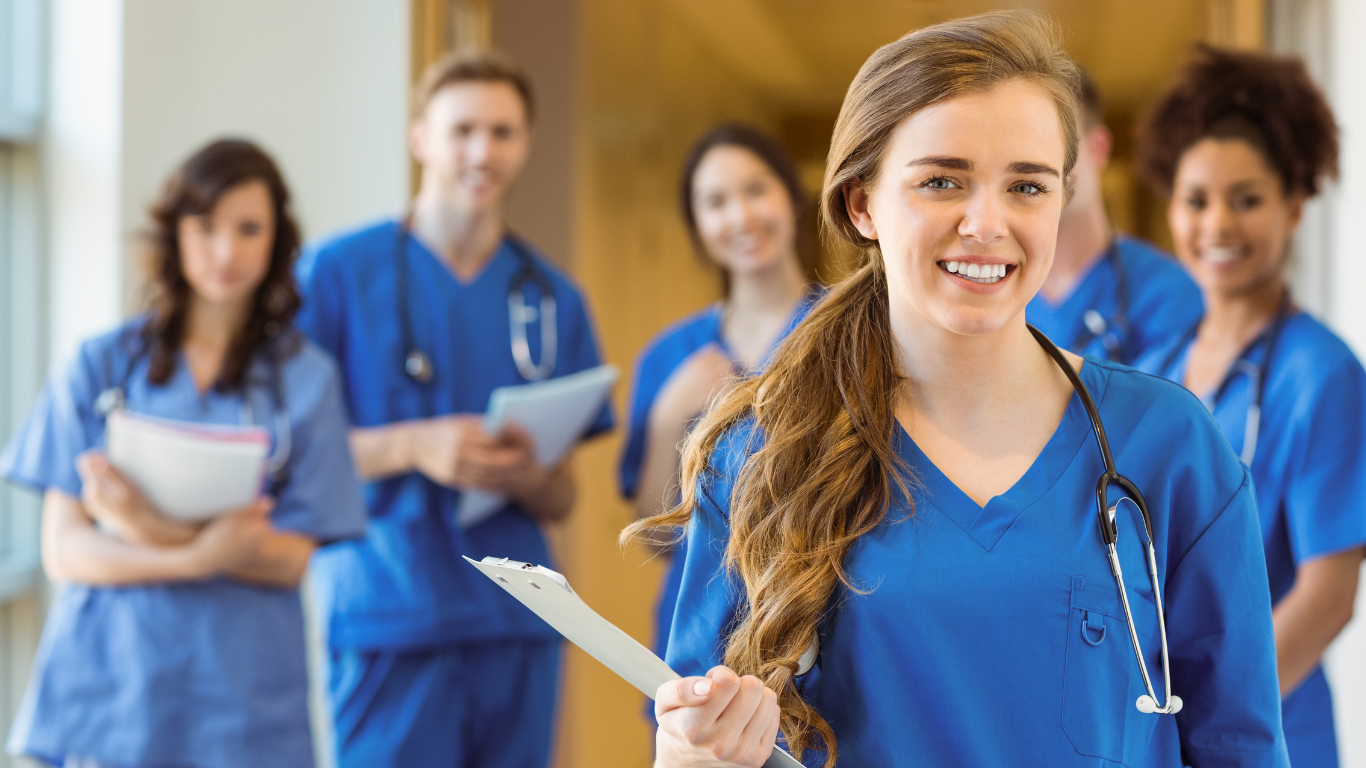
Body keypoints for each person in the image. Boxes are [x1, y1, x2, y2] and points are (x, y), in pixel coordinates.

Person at [627, 11, 1288, 767]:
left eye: (1027, 186)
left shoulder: (1167, 445)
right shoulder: (765, 455)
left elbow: (1240, 745)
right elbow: (703, 735)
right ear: (863, 204)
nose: (987, 222)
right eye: (942, 180)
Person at [0, 139, 367, 768]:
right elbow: (66, 551)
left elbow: (287, 560)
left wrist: (146, 529)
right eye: (206, 226)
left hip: (241, 698)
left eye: (249, 229)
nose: (226, 251)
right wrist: (205, 550)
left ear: (277, 241)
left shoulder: (307, 380)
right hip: (109, 690)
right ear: (174, 233)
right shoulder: (101, 365)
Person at [295, 49, 612, 768]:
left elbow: (562, 495)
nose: (482, 151)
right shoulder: (337, 273)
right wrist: (414, 446)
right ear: (420, 138)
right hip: (389, 611)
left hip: (520, 615)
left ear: (524, 143)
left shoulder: (552, 298)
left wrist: (528, 476)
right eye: (462, 129)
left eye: (503, 132)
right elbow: (288, 452)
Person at [1134, 46, 1365, 768]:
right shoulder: (1154, 370)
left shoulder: (1322, 375)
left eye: (1247, 199)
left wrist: (1222, 719)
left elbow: (1328, 596)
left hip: (1270, 733)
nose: (1218, 225)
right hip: (1156, 723)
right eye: (1196, 199)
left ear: (1295, 205)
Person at [619, 124, 823, 673]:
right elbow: (658, 538)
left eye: (756, 190)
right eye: (715, 202)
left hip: (824, 631)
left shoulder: (847, 332)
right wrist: (668, 419)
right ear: (697, 226)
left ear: (792, 197)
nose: (741, 217)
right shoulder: (669, 358)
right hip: (699, 639)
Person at [1026, 69, 1202, 363]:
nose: (1033, 166)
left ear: (1098, 148)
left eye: (1053, 143)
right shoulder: (991, 292)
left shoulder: (1169, 294)